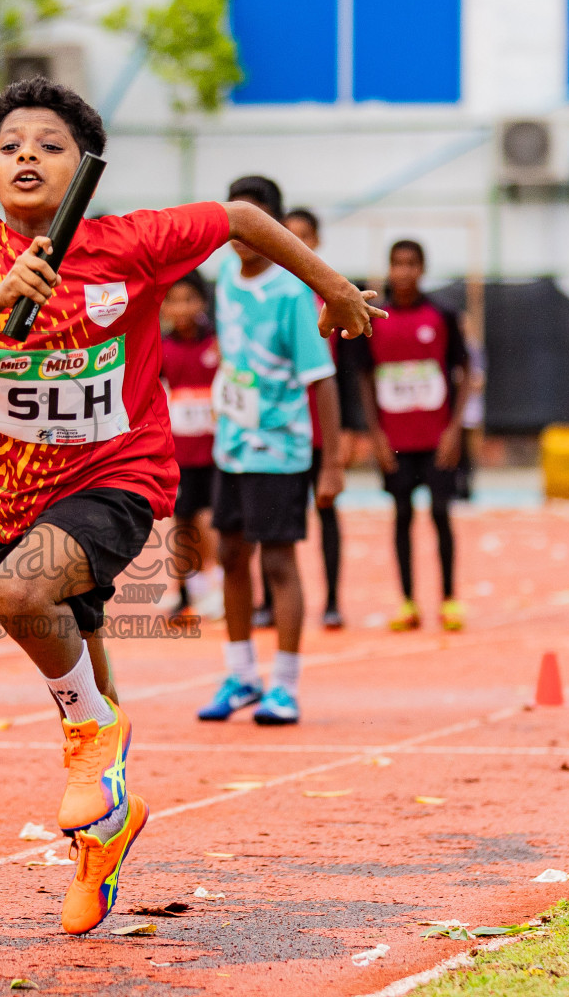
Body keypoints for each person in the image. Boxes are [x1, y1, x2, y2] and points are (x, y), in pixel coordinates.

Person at [0, 78, 381, 935]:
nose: (26, 157)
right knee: (93, 695)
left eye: (48, 144)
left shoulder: (132, 243)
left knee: (18, 601)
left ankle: (91, 745)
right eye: (9, 146)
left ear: (83, 169)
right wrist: (2, 295)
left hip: (122, 476)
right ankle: (106, 838)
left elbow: (239, 216)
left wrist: (333, 288)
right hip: (15, 500)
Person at [195, 178, 342, 728]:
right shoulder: (225, 279)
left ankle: (284, 685)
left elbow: (321, 378)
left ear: (273, 227)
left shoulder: (293, 291)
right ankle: (240, 676)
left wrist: (331, 464)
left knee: (278, 561)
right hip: (230, 444)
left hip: (280, 448)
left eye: (256, 219)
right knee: (230, 555)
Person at [345, 240, 471, 632]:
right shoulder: (374, 318)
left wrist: (455, 430)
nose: (403, 271)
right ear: (388, 269)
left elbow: (467, 373)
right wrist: (377, 436)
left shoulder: (442, 315)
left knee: (440, 513)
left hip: (437, 439)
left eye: (411, 264)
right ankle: (407, 602)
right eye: (397, 264)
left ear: (422, 269)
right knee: (401, 517)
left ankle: (449, 599)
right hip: (394, 442)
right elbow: (365, 377)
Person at [284, 207, 346, 629]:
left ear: (318, 241)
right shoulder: (266, 295)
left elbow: (341, 375)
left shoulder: (334, 299)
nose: (298, 244)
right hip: (281, 430)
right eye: (289, 236)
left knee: (326, 514)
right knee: (277, 525)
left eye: (305, 236)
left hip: (319, 430)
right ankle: (271, 600)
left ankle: (332, 600)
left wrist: (338, 449)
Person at [158, 271, 223, 619]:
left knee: (210, 520)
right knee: (181, 523)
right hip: (177, 454)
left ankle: (217, 584)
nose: (182, 308)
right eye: (174, 301)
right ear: (164, 306)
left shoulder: (217, 345)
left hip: (215, 451)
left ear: (202, 303)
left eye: (189, 300)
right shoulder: (160, 349)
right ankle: (185, 591)